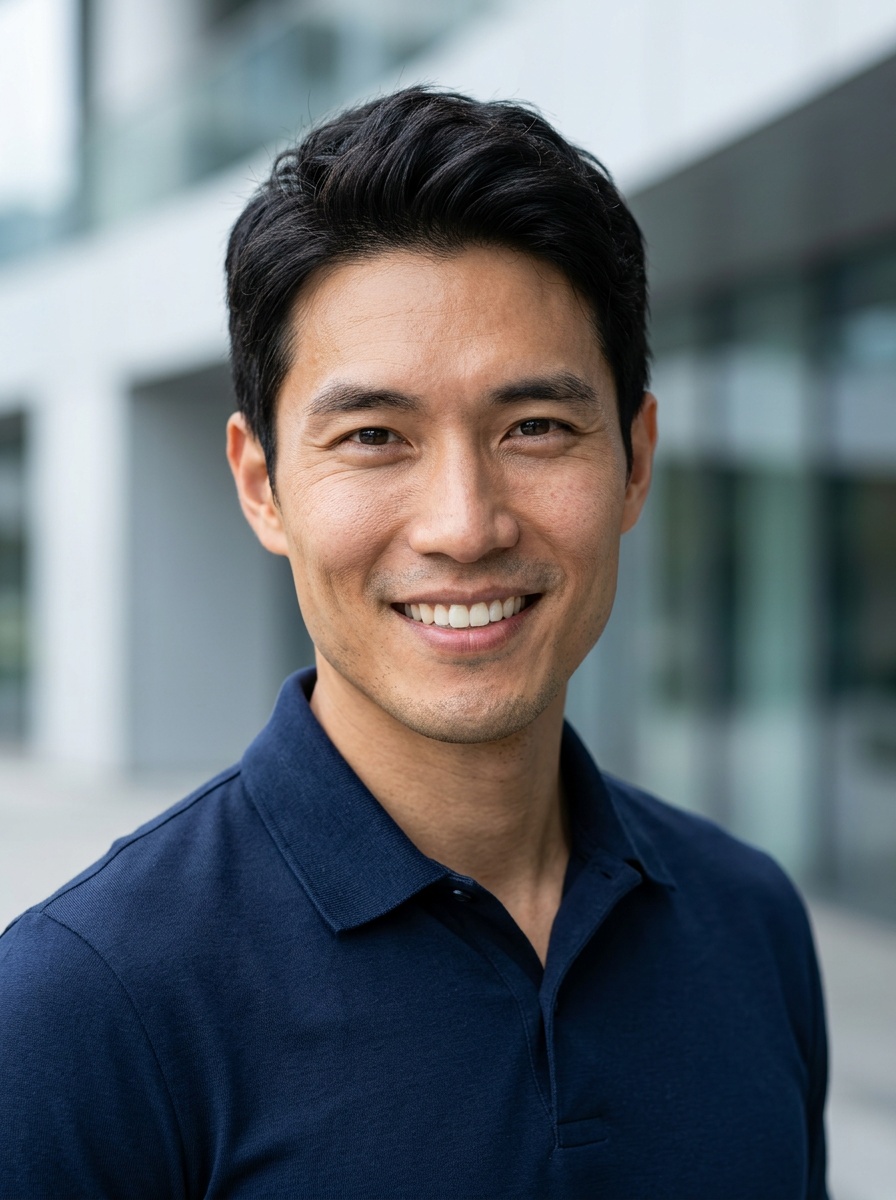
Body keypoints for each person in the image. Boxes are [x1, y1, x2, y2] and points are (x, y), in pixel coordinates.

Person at [0, 87, 827, 1199]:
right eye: (374, 437)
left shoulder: (750, 919)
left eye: (535, 427)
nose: (464, 525)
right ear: (262, 486)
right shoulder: (79, 1007)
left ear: (634, 460)